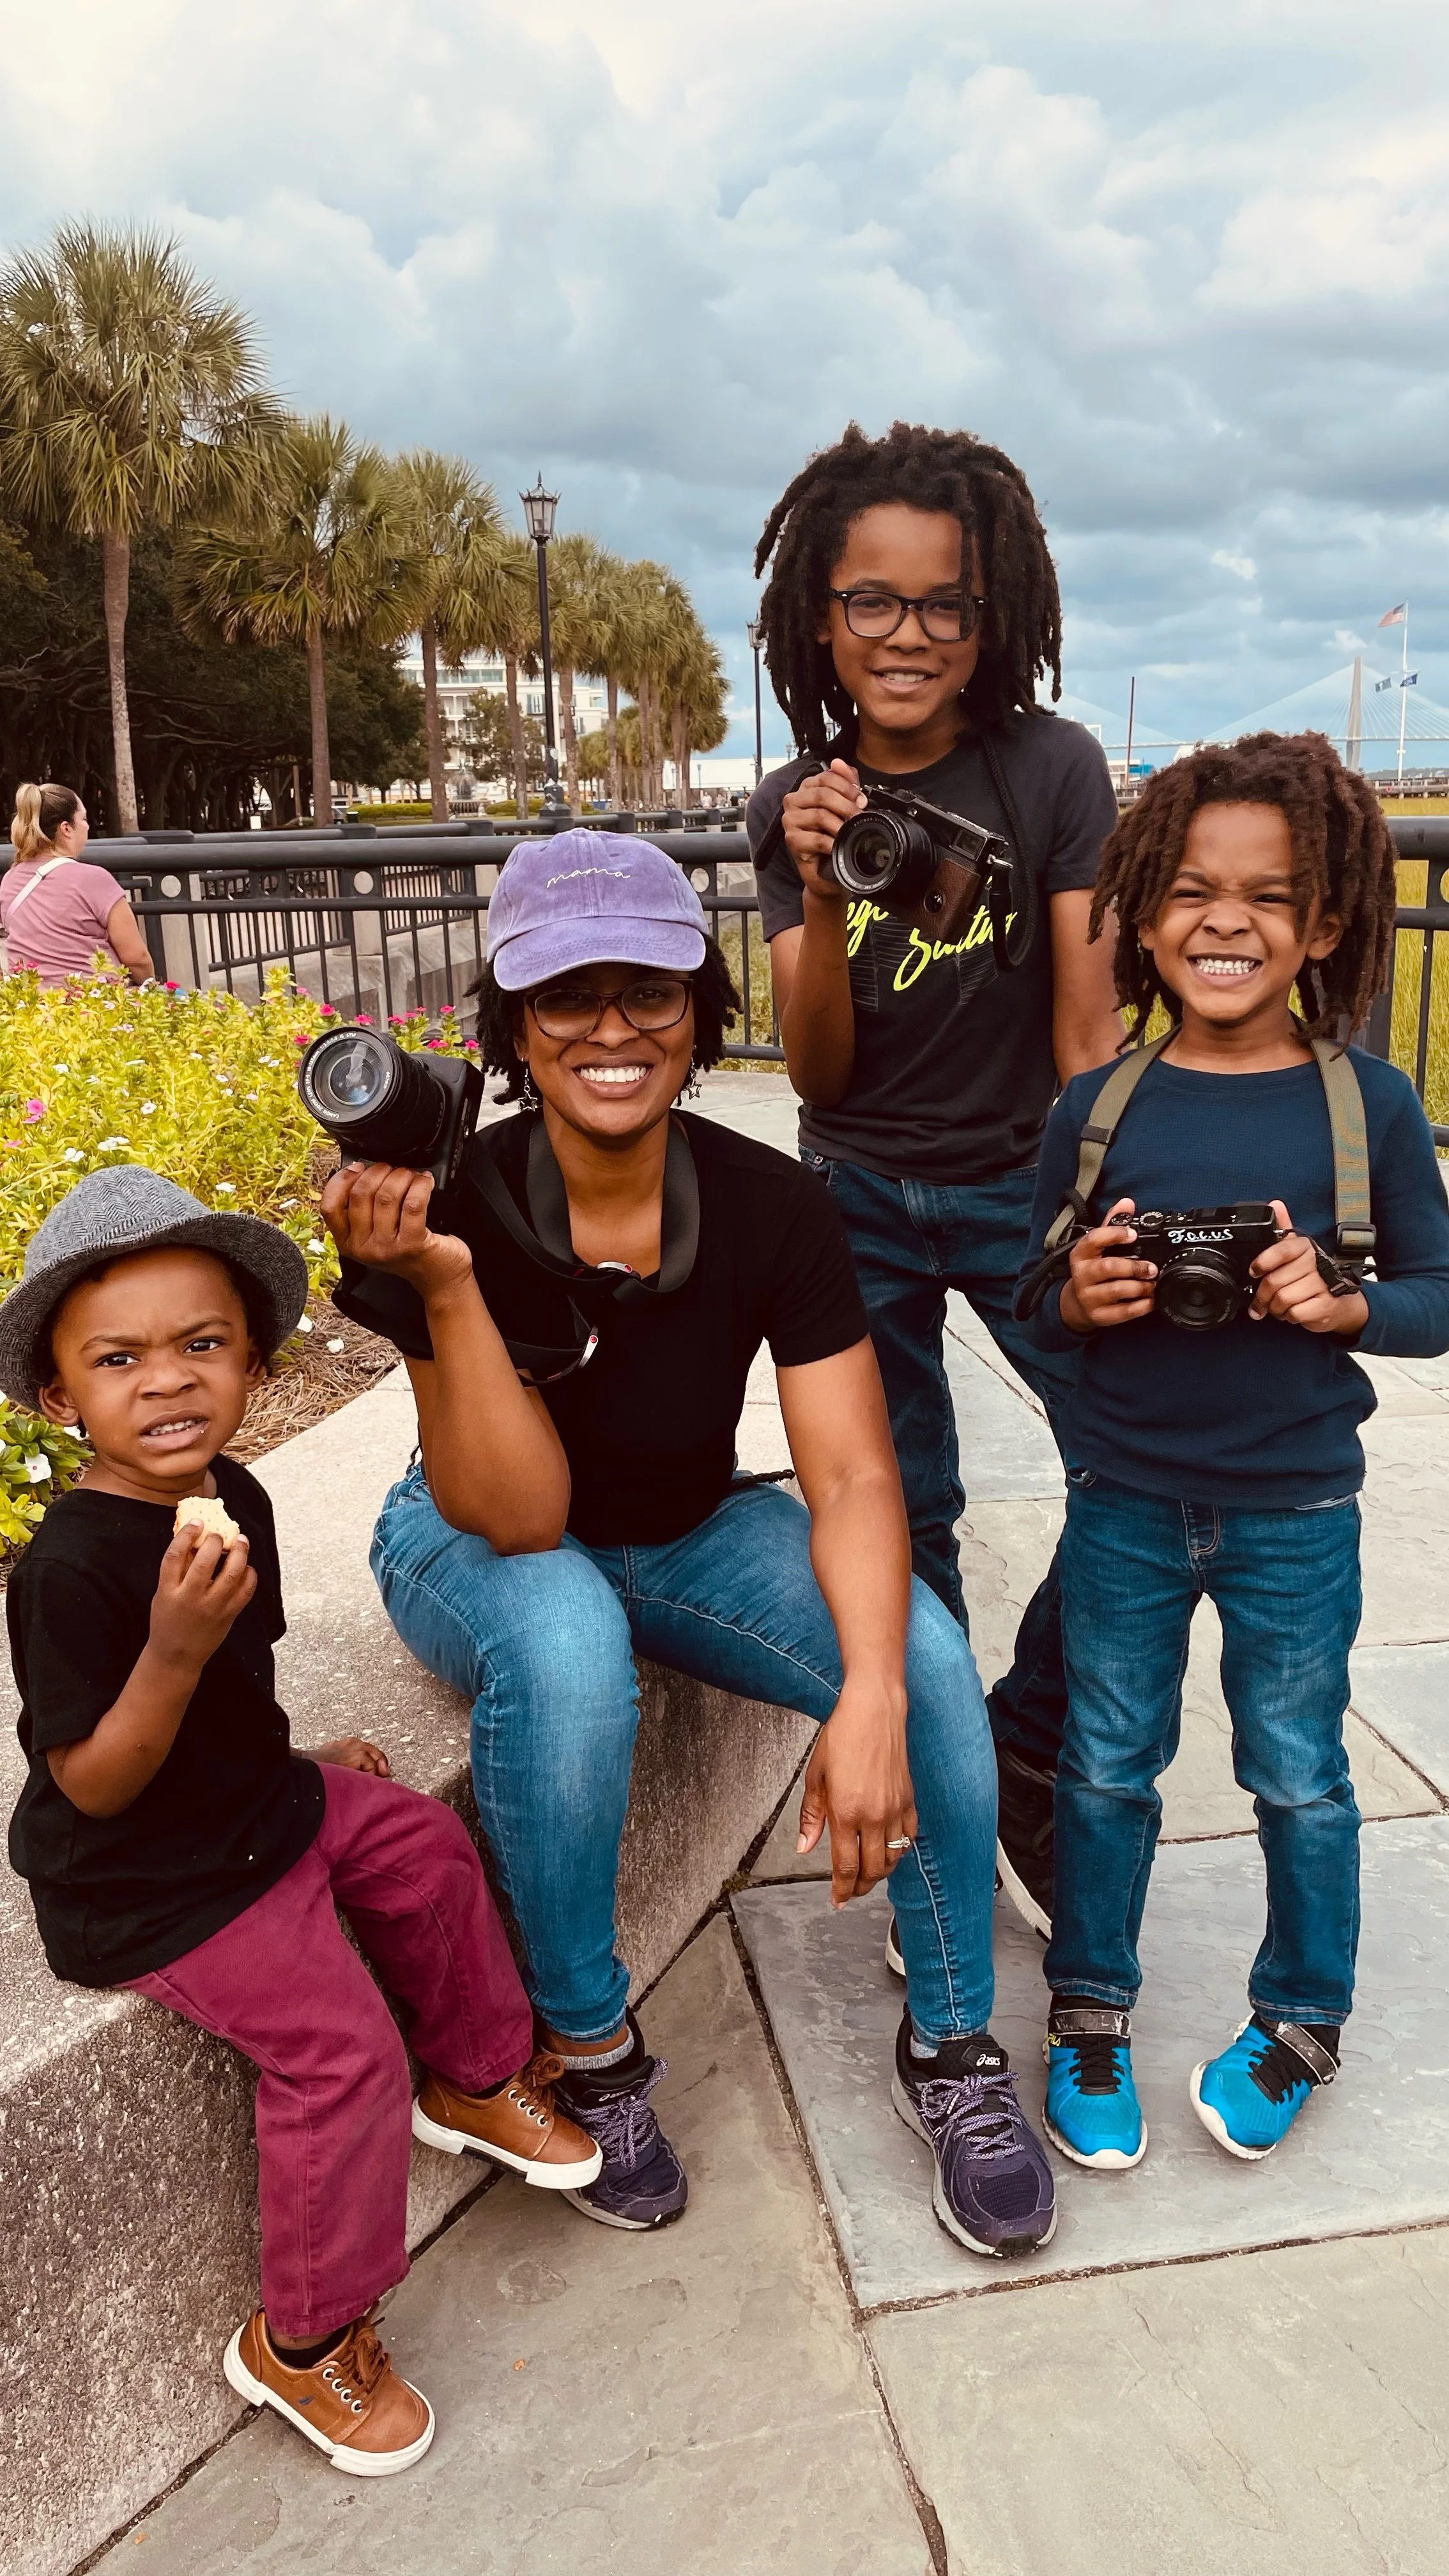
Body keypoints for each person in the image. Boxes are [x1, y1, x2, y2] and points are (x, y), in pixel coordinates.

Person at [328, 828, 1059, 2262]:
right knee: (564, 1637)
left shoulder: (775, 1202)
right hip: (470, 1531)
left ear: (702, 1012)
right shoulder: (448, 1198)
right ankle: (590, 2052)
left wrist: (866, 1695)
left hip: (687, 1525)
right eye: (566, 1000)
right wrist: (440, 1285)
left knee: (917, 1649)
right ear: (513, 1033)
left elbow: (851, 1473)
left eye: (650, 992)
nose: (613, 1030)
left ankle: (956, 2044)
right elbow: (520, 1518)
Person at [3, 1167, 601, 2478]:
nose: (167, 1382)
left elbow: (238, 1685)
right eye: (119, 1360)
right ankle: (305, 2340)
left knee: (423, 1846)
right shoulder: (70, 1574)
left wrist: (300, 1757)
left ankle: (481, 2073)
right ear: (62, 1400)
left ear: (255, 1365)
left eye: (202, 1346)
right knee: (337, 2059)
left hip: (257, 1805)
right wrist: (169, 1650)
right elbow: (94, 1783)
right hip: (152, 1883)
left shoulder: (239, 1497)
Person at [1017, 732, 1449, 2170]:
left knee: (1299, 1772)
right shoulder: (1100, 1109)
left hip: (1299, 1508)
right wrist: (1080, 1296)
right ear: (1141, 913)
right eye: (1194, 890)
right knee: (1103, 1766)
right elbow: (1037, 1293)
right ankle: (1090, 2015)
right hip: (1124, 1495)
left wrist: (1349, 1303)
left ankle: (1302, 2019)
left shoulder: (1369, 1107)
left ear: (1324, 923)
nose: (1227, 922)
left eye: (1271, 897)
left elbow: (1438, 1300)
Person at [747, 420, 1123, 1947]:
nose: (908, 636)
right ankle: (957, 1807)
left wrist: (1103, 1208)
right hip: (855, 1195)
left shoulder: (1053, 769)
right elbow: (819, 1071)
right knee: (906, 1513)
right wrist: (822, 887)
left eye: (944, 604)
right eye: (873, 601)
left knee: (1152, 1473)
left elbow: (1089, 1028)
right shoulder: (795, 801)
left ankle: (1021, 1730)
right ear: (821, 618)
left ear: (996, 616)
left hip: (1025, 1186)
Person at [1, 783, 154, 985]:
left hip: (33, 1006)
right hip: (93, 1005)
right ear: (66, 829)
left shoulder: (10, 879)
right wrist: (152, 987)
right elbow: (137, 959)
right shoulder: (93, 879)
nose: (88, 826)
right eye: (83, 819)